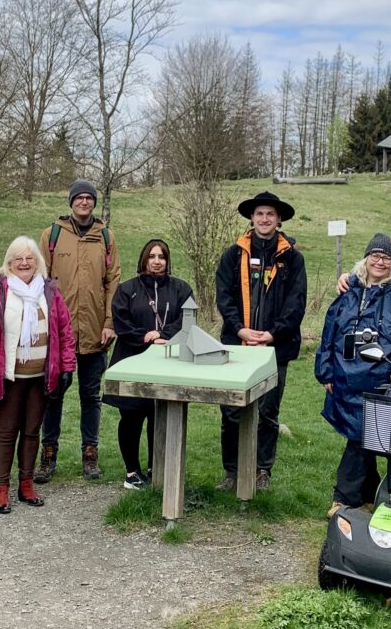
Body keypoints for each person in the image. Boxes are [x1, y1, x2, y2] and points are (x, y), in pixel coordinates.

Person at [315, 233, 391, 518]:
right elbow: (330, 332)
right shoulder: (348, 291)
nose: (380, 261)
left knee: (363, 434)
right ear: (366, 258)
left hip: (380, 377)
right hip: (344, 376)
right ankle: (370, 493)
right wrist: (324, 371)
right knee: (364, 435)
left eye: (387, 258)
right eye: (375, 255)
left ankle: (344, 498)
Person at [0, 237, 76, 514]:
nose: (24, 262)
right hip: (9, 376)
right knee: (7, 432)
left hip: (41, 375)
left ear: (38, 262)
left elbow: (65, 334)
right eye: (18, 258)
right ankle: (1, 488)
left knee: (32, 431)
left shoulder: (50, 293)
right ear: (8, 263)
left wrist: (67, 368)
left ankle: (26, 483)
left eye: (30, 258)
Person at [215, 190, 306, 492]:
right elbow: (224, 297)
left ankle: (261, 470)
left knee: (267, 412)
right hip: (237, 344)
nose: (264, 219)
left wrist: (272, 334)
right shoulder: (233, 255)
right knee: (231, 411)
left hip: (274, 348)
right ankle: (232, 471)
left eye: (270, 214)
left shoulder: (292, 259)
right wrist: (240, 329)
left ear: (279, 219)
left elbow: (296, 302)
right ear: (251, 218)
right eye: (259, 214)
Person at [34, 179, 121, 483]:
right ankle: (48, 455)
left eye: (89, 198)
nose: (84, 202)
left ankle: (90, 453)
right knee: (53, 394)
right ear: (70, 202)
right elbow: (39, 281)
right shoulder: (52, 235)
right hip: (59, 333)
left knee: (90, 396)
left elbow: (113, 284)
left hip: (96, 332)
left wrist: (110, 323)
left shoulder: (106, 237)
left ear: (94, 203)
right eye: (79, 198)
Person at [105, 239, 194, 490]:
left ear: (167, 261)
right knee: (132, 417)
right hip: (132, 360)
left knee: (160, 416)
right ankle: (132, 471)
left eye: (162, 257)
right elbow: (121, 321)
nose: (157, 261)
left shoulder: (181, 289)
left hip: (168, 361)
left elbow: (187, 319)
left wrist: (164, 335)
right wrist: (145, 336)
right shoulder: (127, 289)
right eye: (152, 256)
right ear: (144, 259)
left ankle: (158, 467)